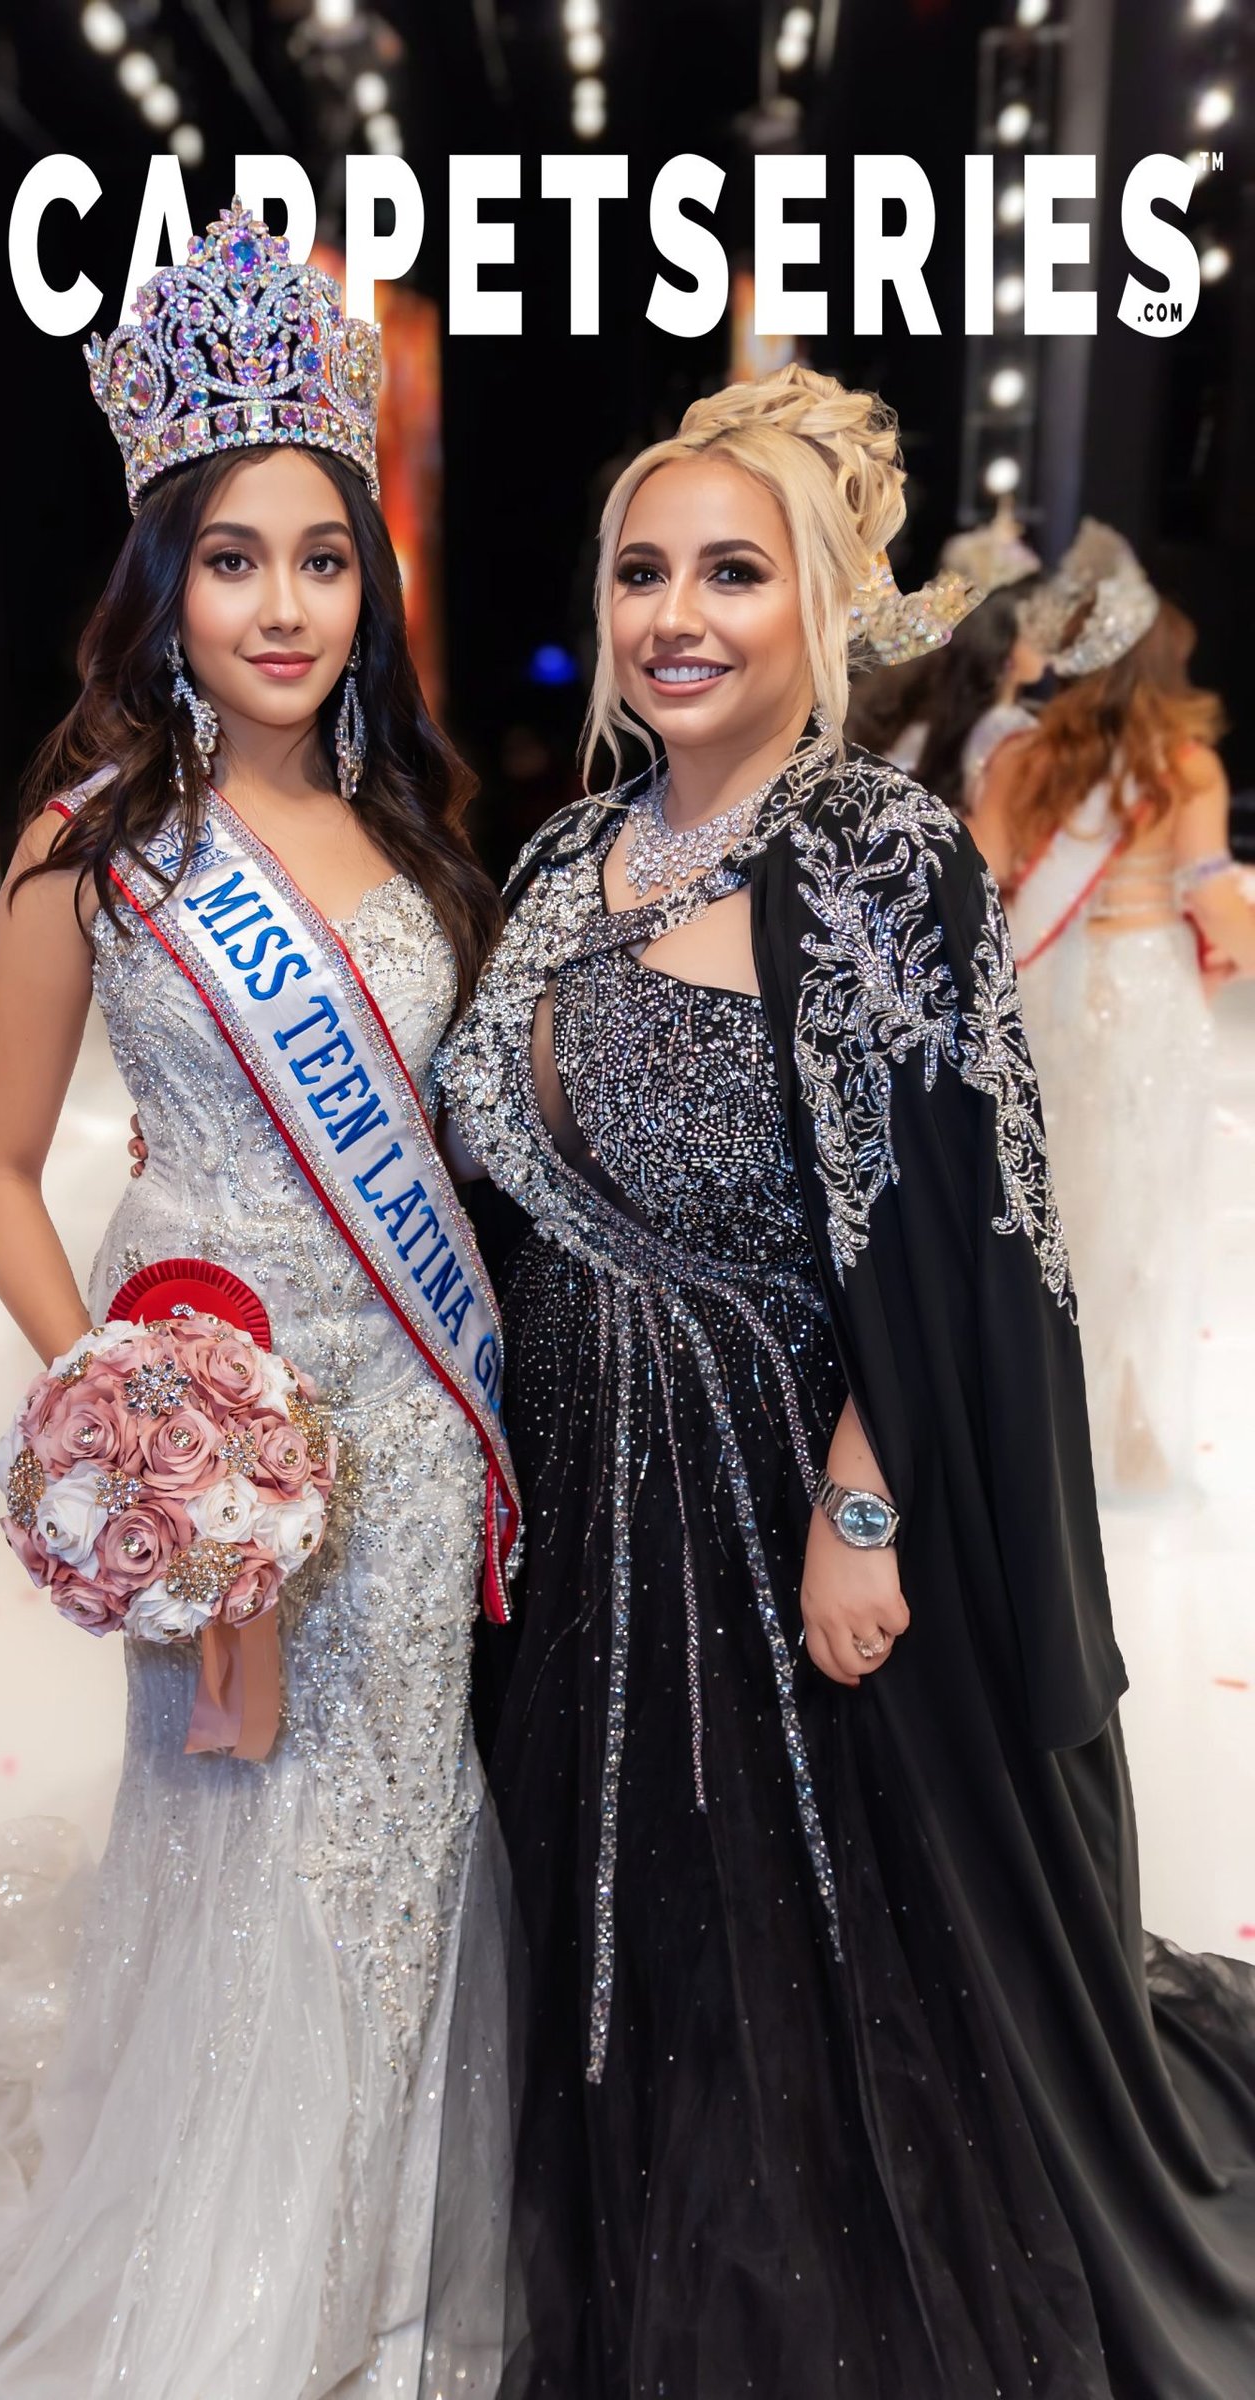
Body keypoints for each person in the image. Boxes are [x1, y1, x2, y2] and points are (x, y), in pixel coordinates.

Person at [437, 366, 1255, 2397]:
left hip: (772, 1496)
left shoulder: (878, 851)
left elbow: (962, 1220)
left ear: (816, 605)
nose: (675, 615)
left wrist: (863, 1502)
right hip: (581, 1490)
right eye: (641, 572)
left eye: (731, 572)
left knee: (801, 1954)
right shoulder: (565, 855)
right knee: (626, 1934)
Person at [0, 207, 513, 2400]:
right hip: (221, 1439)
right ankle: (229, 2275)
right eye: (234, 559)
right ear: (167, 580)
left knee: (402, 1836)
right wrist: (121, 1406)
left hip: (411, 1431)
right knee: (237, 1836)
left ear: (367, 582)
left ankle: (381, 2249)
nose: (283, 604)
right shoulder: (94, 851)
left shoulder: (419, 831)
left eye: (322, 559)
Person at [973, 524, 1255, 1497]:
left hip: (1045, 1002)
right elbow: (1212, 899)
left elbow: (981, 894)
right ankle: (1126, 1429)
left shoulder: (1019, 760)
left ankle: (1035, 1421)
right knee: (1142, 1215)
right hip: (1144, 1002)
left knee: (1052, 1211)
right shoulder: (1184, 767)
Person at [845, 500, 1046, 812]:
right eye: (1035, 619)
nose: (1047, 634)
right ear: (1000, 632)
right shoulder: (1006, 734)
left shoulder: (906, 704)